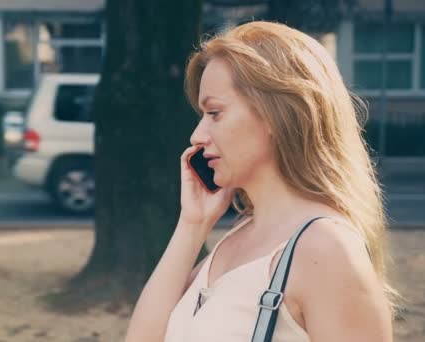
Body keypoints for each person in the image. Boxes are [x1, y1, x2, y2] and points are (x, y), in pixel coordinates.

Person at [125, 21, 396, 342]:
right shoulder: (238, 236)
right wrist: (192, 224)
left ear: (275, 114)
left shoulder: (326, 248)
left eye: (214, 113)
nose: (197, 136)